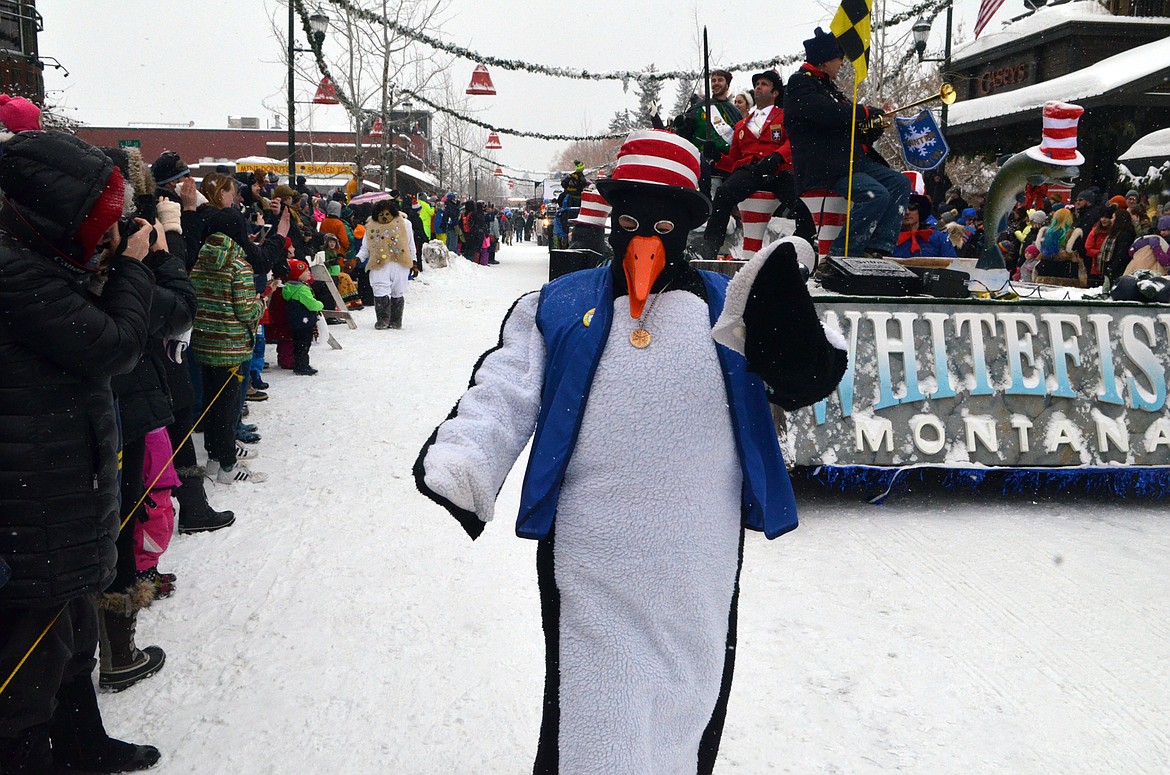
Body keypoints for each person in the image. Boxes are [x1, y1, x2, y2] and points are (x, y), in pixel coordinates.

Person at [414, 128, 847, 774]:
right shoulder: (560, 307)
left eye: (665, 221)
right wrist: (467, 460)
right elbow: (506, 388)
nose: (646, 239)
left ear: (691, 225)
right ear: (610, 220)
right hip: (594, 567)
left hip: (693, 570)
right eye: (629, 219)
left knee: (682, 713)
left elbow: (806, 372)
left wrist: (796, 339)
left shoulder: (730, 313)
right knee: (594, 730)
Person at [0, 130, 161, 773]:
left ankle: (81, 743)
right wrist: (135, 267)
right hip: (28, 494)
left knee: (71, 635)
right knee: (28, 660)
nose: (109, 233)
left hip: (57, 482)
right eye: (102, 221)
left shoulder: (39, 259)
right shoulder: (13, 271)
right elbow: (113, 345)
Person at [785, 26, 909, 258]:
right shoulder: (800, 83)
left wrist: (872, 127)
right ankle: (841, 255)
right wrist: (862, 112)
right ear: (824, 60)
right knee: (876, 195)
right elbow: (829, 113)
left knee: (899, 183)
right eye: (839, 58)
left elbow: (847, 124)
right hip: (826, 167)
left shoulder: (827, 87)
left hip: (849, 161)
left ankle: (877, 248)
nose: (842, 64)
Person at [697, 69, 812, 260]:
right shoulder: (742, 125)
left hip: (779, 171)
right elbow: (733, 161)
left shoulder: (784, 116)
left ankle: (802, 246)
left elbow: (793, 142)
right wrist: (717, 157)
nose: (758, 87)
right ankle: (710, 247)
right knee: (724, 194)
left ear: (775, 93)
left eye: (764, 84)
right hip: (750, 172)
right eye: (757, 84)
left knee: (802, 203)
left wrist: (777, 156)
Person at [190, 232, 269, 483]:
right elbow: (246, 311)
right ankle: (227, 466)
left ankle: (215, 457)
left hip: (205, 343)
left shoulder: (198, 262)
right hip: (232, 347)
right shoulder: (238, 266)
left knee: (212, 404)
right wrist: (261, 302)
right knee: (228, 408)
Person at [674, 68, 743, 196]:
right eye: (713, 80)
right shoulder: (699, 109)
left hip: (726, 161)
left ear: (727, 84)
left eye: (720, 80)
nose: (716, 83)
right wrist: (682, 124)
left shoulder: (734, 112)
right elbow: (685, 132)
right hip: (702, 160)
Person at [358, 198, 418, 330]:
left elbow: (410, 244)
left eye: (387, 214)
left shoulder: (405, 224)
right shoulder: (371, 226)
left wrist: (414, 262)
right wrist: (357, 259)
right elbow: (365, 247)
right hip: (379, 263)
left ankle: (396, 320)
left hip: (400, 263)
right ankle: (383, 319)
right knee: (379, 289)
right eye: (381, 215)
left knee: (398, 291)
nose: (384, 218)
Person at [282, 259, 324, 375]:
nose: (309, 273)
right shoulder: (302, 290)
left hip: (295, 322)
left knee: (298, 344)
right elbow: (311, 304)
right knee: (304, 344)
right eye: (306, 271)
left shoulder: (289, 287)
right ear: (298, 275)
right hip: (304, 322)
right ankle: (302, 366)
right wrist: (320, 304)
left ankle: (299, 363)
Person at [891, 194, 956, 259]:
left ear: (919, 211)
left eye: (912, 207)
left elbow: (952, 265)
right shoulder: (888, 239)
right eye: (902, 207)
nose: (907, 212)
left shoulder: (939, 239)